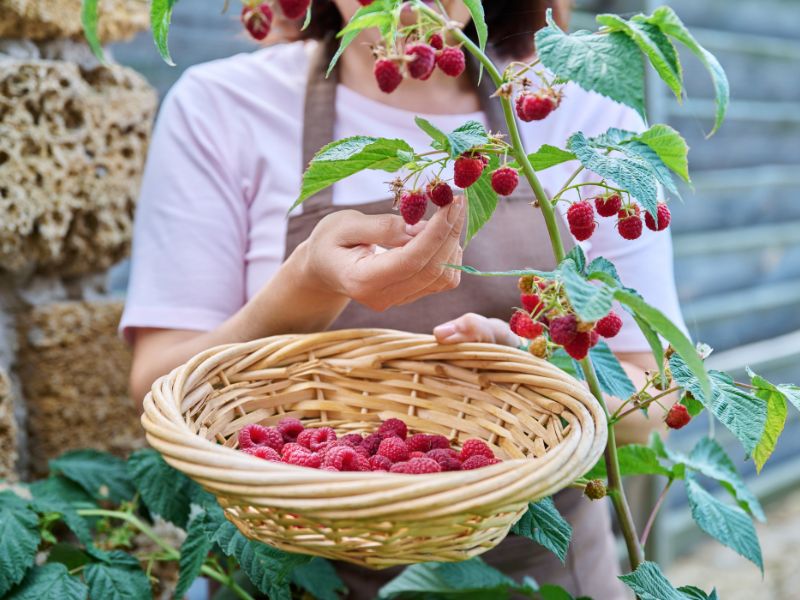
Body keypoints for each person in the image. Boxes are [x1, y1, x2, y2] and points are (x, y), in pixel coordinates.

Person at [121, 1, 685, 597]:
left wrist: (534, 363)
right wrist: (308, 281)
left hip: (541, 573)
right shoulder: (224, 107)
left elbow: (656, 395)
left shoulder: (587, 118)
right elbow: (160, 383)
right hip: (295, 572)